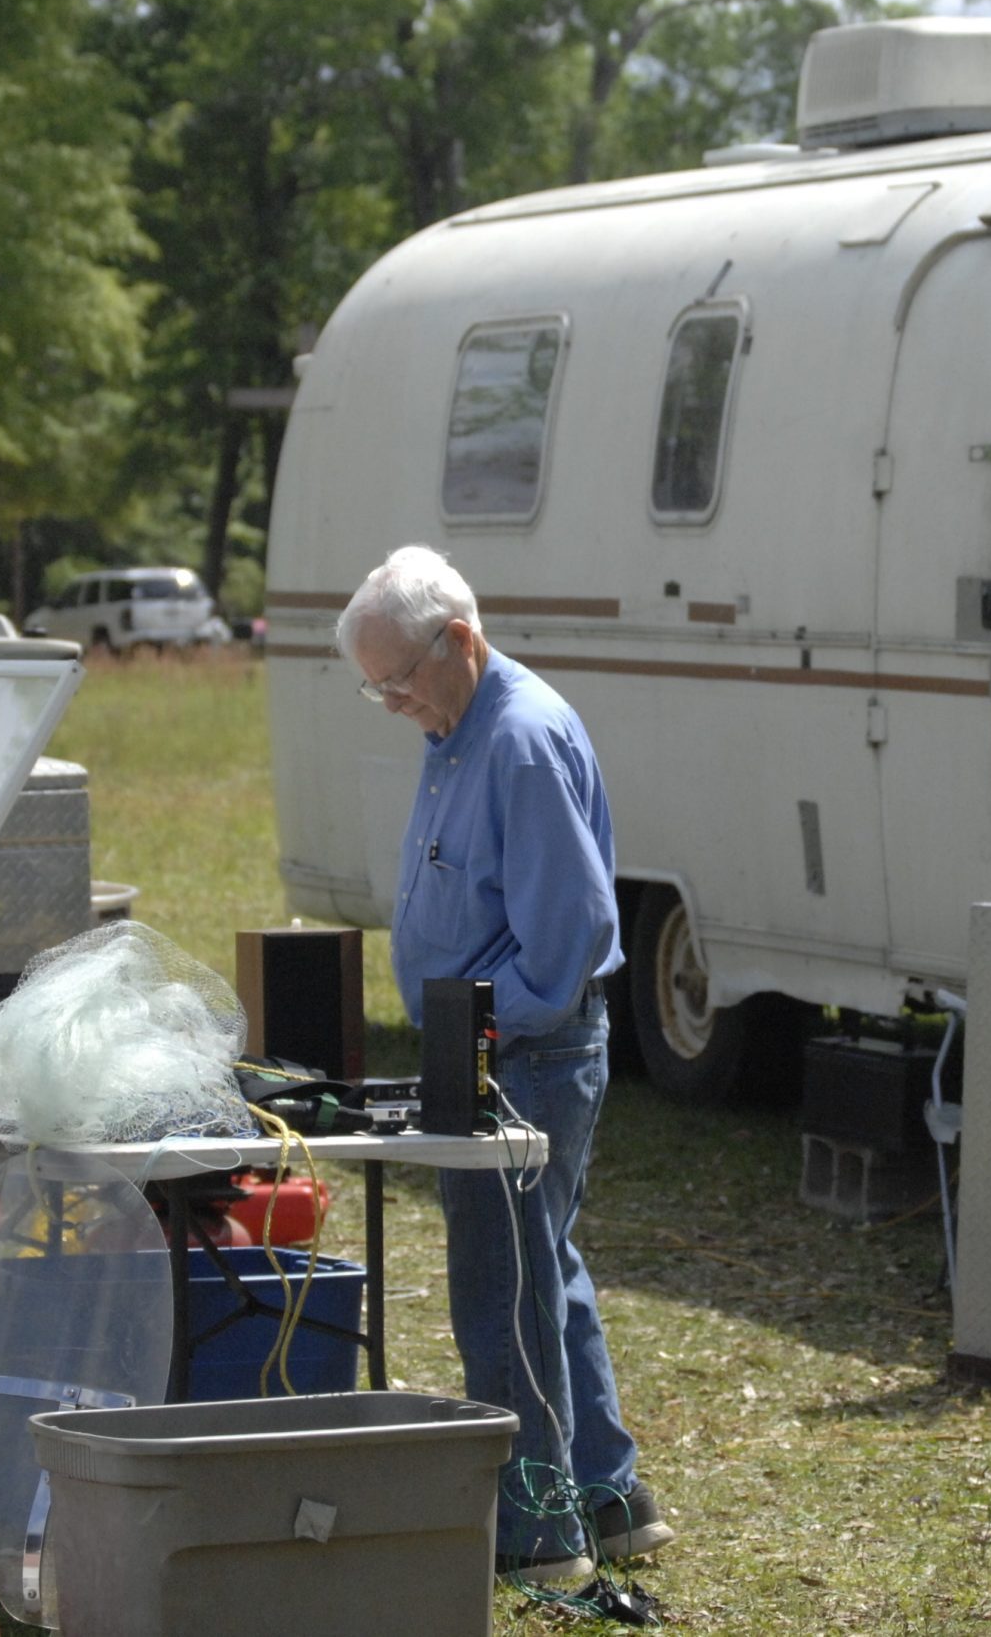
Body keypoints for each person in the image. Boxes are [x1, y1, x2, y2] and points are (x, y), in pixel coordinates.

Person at [336, 545, 674, 1582]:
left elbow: (569, 935)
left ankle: (541, 1534)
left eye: (397, 678)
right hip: (494, 1046)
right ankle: (610, 1497)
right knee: (545, 1271)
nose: (390, 700)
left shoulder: (517, 740)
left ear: (462, 641)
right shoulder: (457, 724)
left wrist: (479, 1034)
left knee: (502, 1288)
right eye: (374, 685)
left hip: (521, 1053)